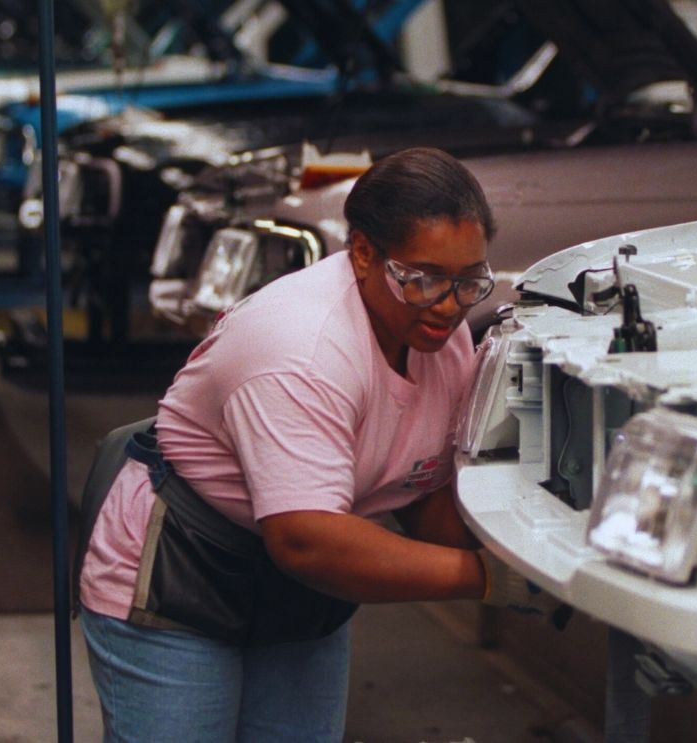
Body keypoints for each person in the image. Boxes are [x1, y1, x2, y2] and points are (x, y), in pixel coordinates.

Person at [75, 147, 560, 742]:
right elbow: (307, 539)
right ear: (361, 253)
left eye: (469, 282)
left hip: (300, 587)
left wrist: (538, 554)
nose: (451, 305)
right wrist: (485, 576)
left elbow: (417, 482)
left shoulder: (438, 332)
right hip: (184, 576)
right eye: (426, 278)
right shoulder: (300, 350)